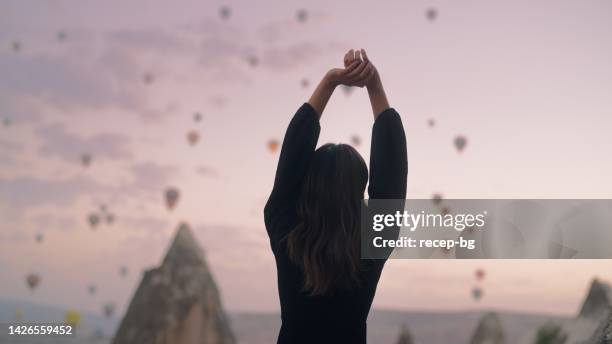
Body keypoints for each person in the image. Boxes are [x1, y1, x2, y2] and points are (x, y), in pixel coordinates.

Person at [264, 49, 408, 344]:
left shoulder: (285, 231)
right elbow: (391, 174)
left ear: (306, 185)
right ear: (359, 191)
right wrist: (375, 87)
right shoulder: (372, 242)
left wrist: (330, 82)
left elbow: (290, 164)